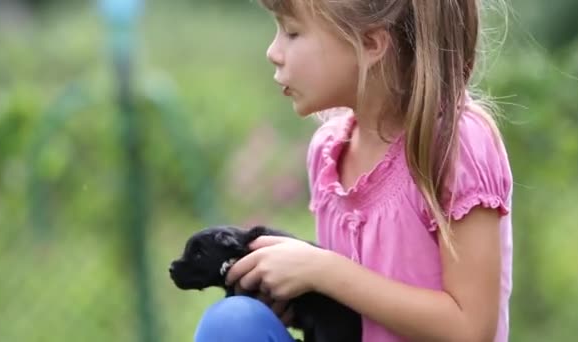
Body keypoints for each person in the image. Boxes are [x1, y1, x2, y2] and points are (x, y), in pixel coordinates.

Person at [195, 0, 513, 341]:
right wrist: (303, 305)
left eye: (292, 32)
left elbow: (470, 329)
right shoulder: (328, 150)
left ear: (371, 43)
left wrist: (323, 272)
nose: (273, 51)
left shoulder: (454, 143)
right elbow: (349, 318)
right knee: (234, 323)